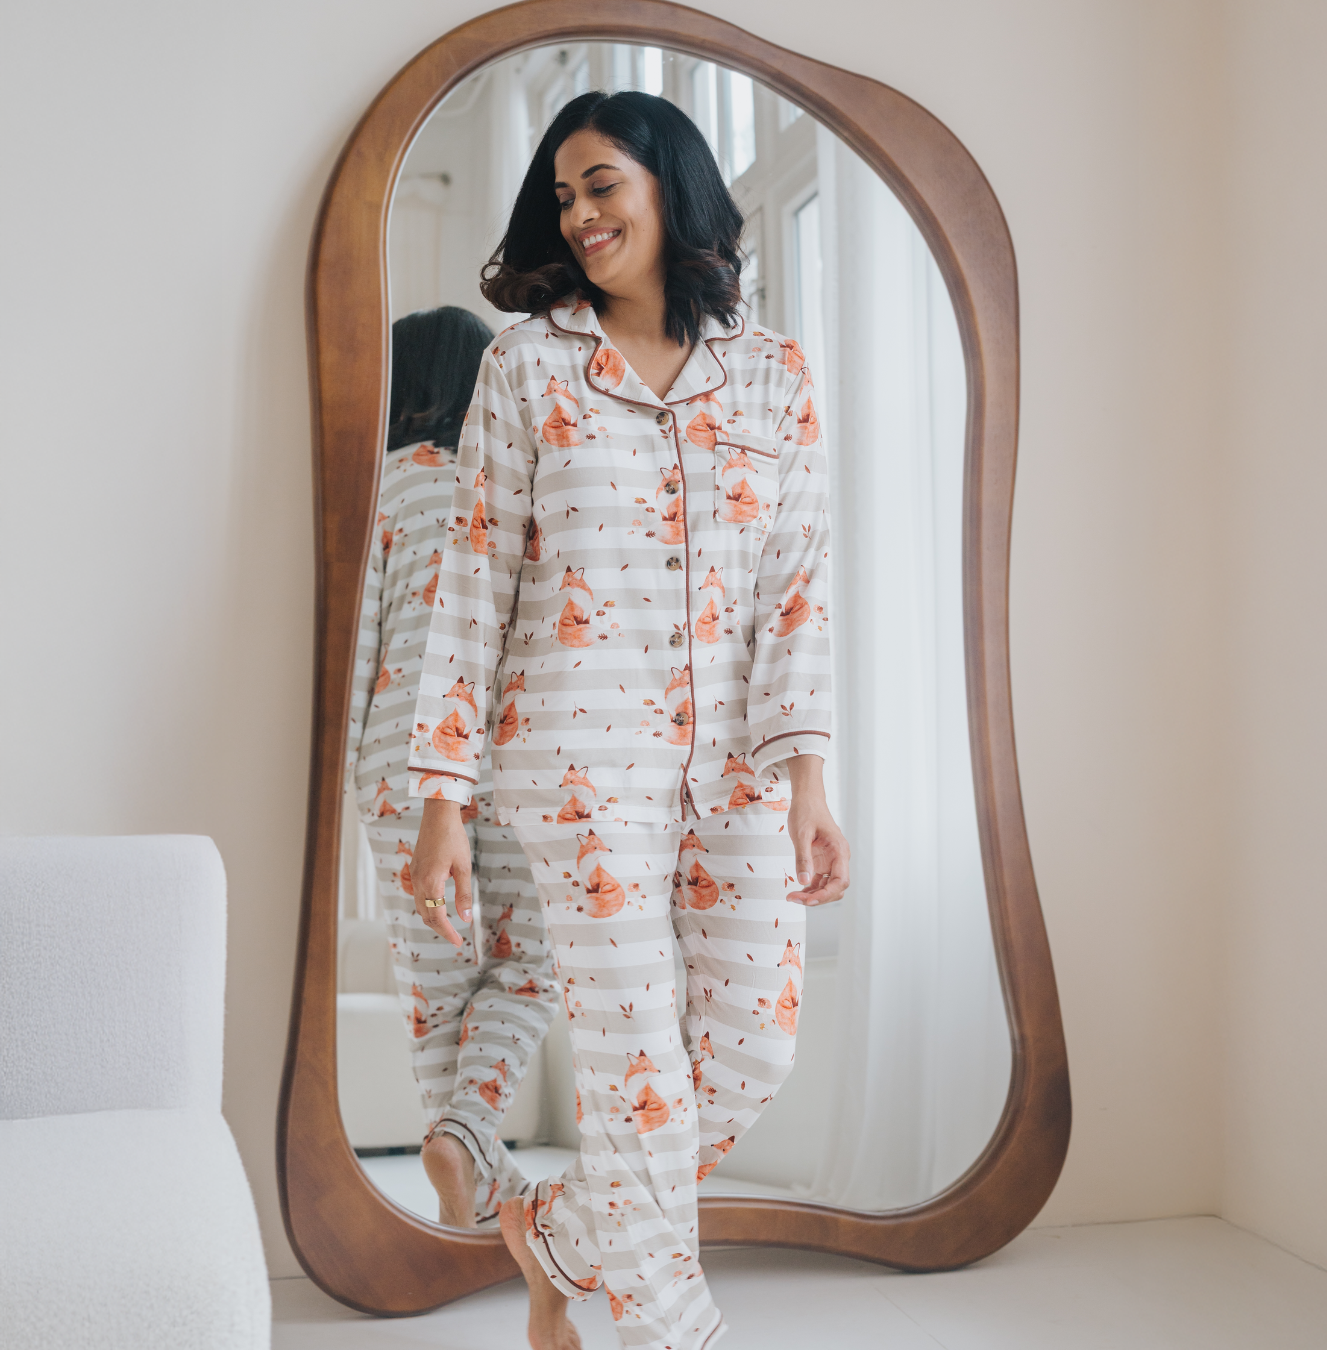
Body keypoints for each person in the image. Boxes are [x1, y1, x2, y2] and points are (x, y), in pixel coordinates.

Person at [407, 92, 850, 1350]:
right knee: (639, 1075)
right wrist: (443, 801)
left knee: (752, 1052)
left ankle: (558, 1236)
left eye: (602, 184)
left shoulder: (773, 376)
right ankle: (673, 1330)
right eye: (563, 197)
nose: (580, 215)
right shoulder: (527, 367)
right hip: (579, 770)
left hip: (743, 770)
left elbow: (799, 589)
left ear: (671, 186)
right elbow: (473, 582)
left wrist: (809, 781)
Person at [347, 305, 562, 1229]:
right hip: (503, 758)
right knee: (532, 965)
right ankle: (471, 1139)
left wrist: (357, 782)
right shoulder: (514, 488)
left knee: (436, 995)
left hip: (398, 765)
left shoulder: (381, 497)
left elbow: (359, 649)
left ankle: (469, 1173)